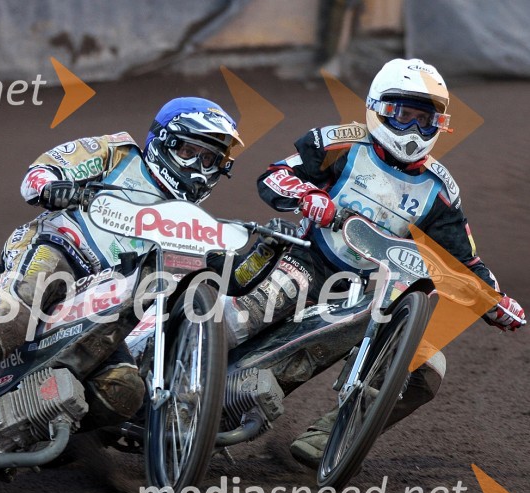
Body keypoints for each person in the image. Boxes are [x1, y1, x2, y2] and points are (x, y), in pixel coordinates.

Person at [0, 97, 244, 470]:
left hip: (104, 296)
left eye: (210, 160)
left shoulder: (194, 223)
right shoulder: (117, 153)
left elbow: (227, 283)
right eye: (192, 152)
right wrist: (55, 188)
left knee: (124, 388)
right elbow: (37, 175)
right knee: (13, 318)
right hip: (60, 248)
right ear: (165, 141)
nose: (199, 168)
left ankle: (36, 431)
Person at [224, 58, 525, 469]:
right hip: (308, 260)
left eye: (427, 119)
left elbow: (464, 259)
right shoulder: (341, 144)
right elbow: (275, 174)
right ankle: (180, 377)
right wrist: (307, 196)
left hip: (372, 292)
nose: (416, 129)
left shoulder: (439, 189)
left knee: (426, 371)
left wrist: (495, 300)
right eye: (405, 114)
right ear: (380, 109)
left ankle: (329, 439)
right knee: (239, 321)